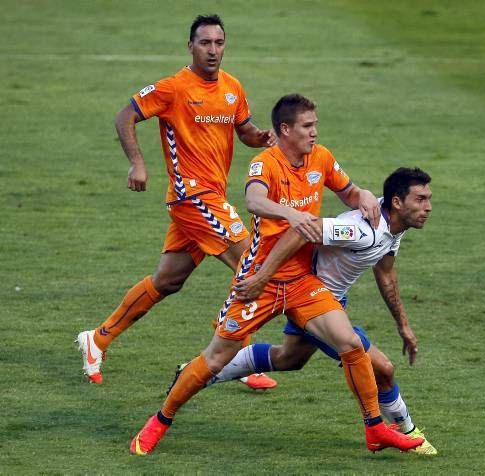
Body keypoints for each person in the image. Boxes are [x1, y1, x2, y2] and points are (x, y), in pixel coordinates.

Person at [129, 93, 424, 456]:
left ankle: (375, 428)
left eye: (315, 125)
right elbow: (253, 200)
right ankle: (160, 420)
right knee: (216, 358)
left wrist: (362, 193)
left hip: (302, 280)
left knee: (349, 344)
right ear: (285, 130)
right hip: (259, 279)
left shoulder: (322, 158)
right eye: (307, 126)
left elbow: (347, 192)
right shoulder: (265, 163)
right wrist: (289, 214)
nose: (315, 133)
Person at [75, 14, 276, 390]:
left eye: (218, 43)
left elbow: (244, 130)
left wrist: (261, 137)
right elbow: (125, 116)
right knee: (252, 263)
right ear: (191, 46)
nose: (212, 50)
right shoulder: (174, 88)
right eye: (205, 43)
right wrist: (138, 163)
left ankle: (97, 338)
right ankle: (234, 358)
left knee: (168, 280)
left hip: (210, 198)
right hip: (191, 196)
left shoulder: (232, 87)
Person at [202, 167, 437, 455]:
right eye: (420, 199)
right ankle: (410, 433)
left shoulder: (393, 225)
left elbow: (386, 272)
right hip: (312, 302)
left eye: (428, 199)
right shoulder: (361, 229)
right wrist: (263, 277)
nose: (428, 207)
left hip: (331, 301)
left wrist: (404, 325)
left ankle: (203, 372)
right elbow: (302, 231)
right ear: (398, 202)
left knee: (289, 358)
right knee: (383, 368)